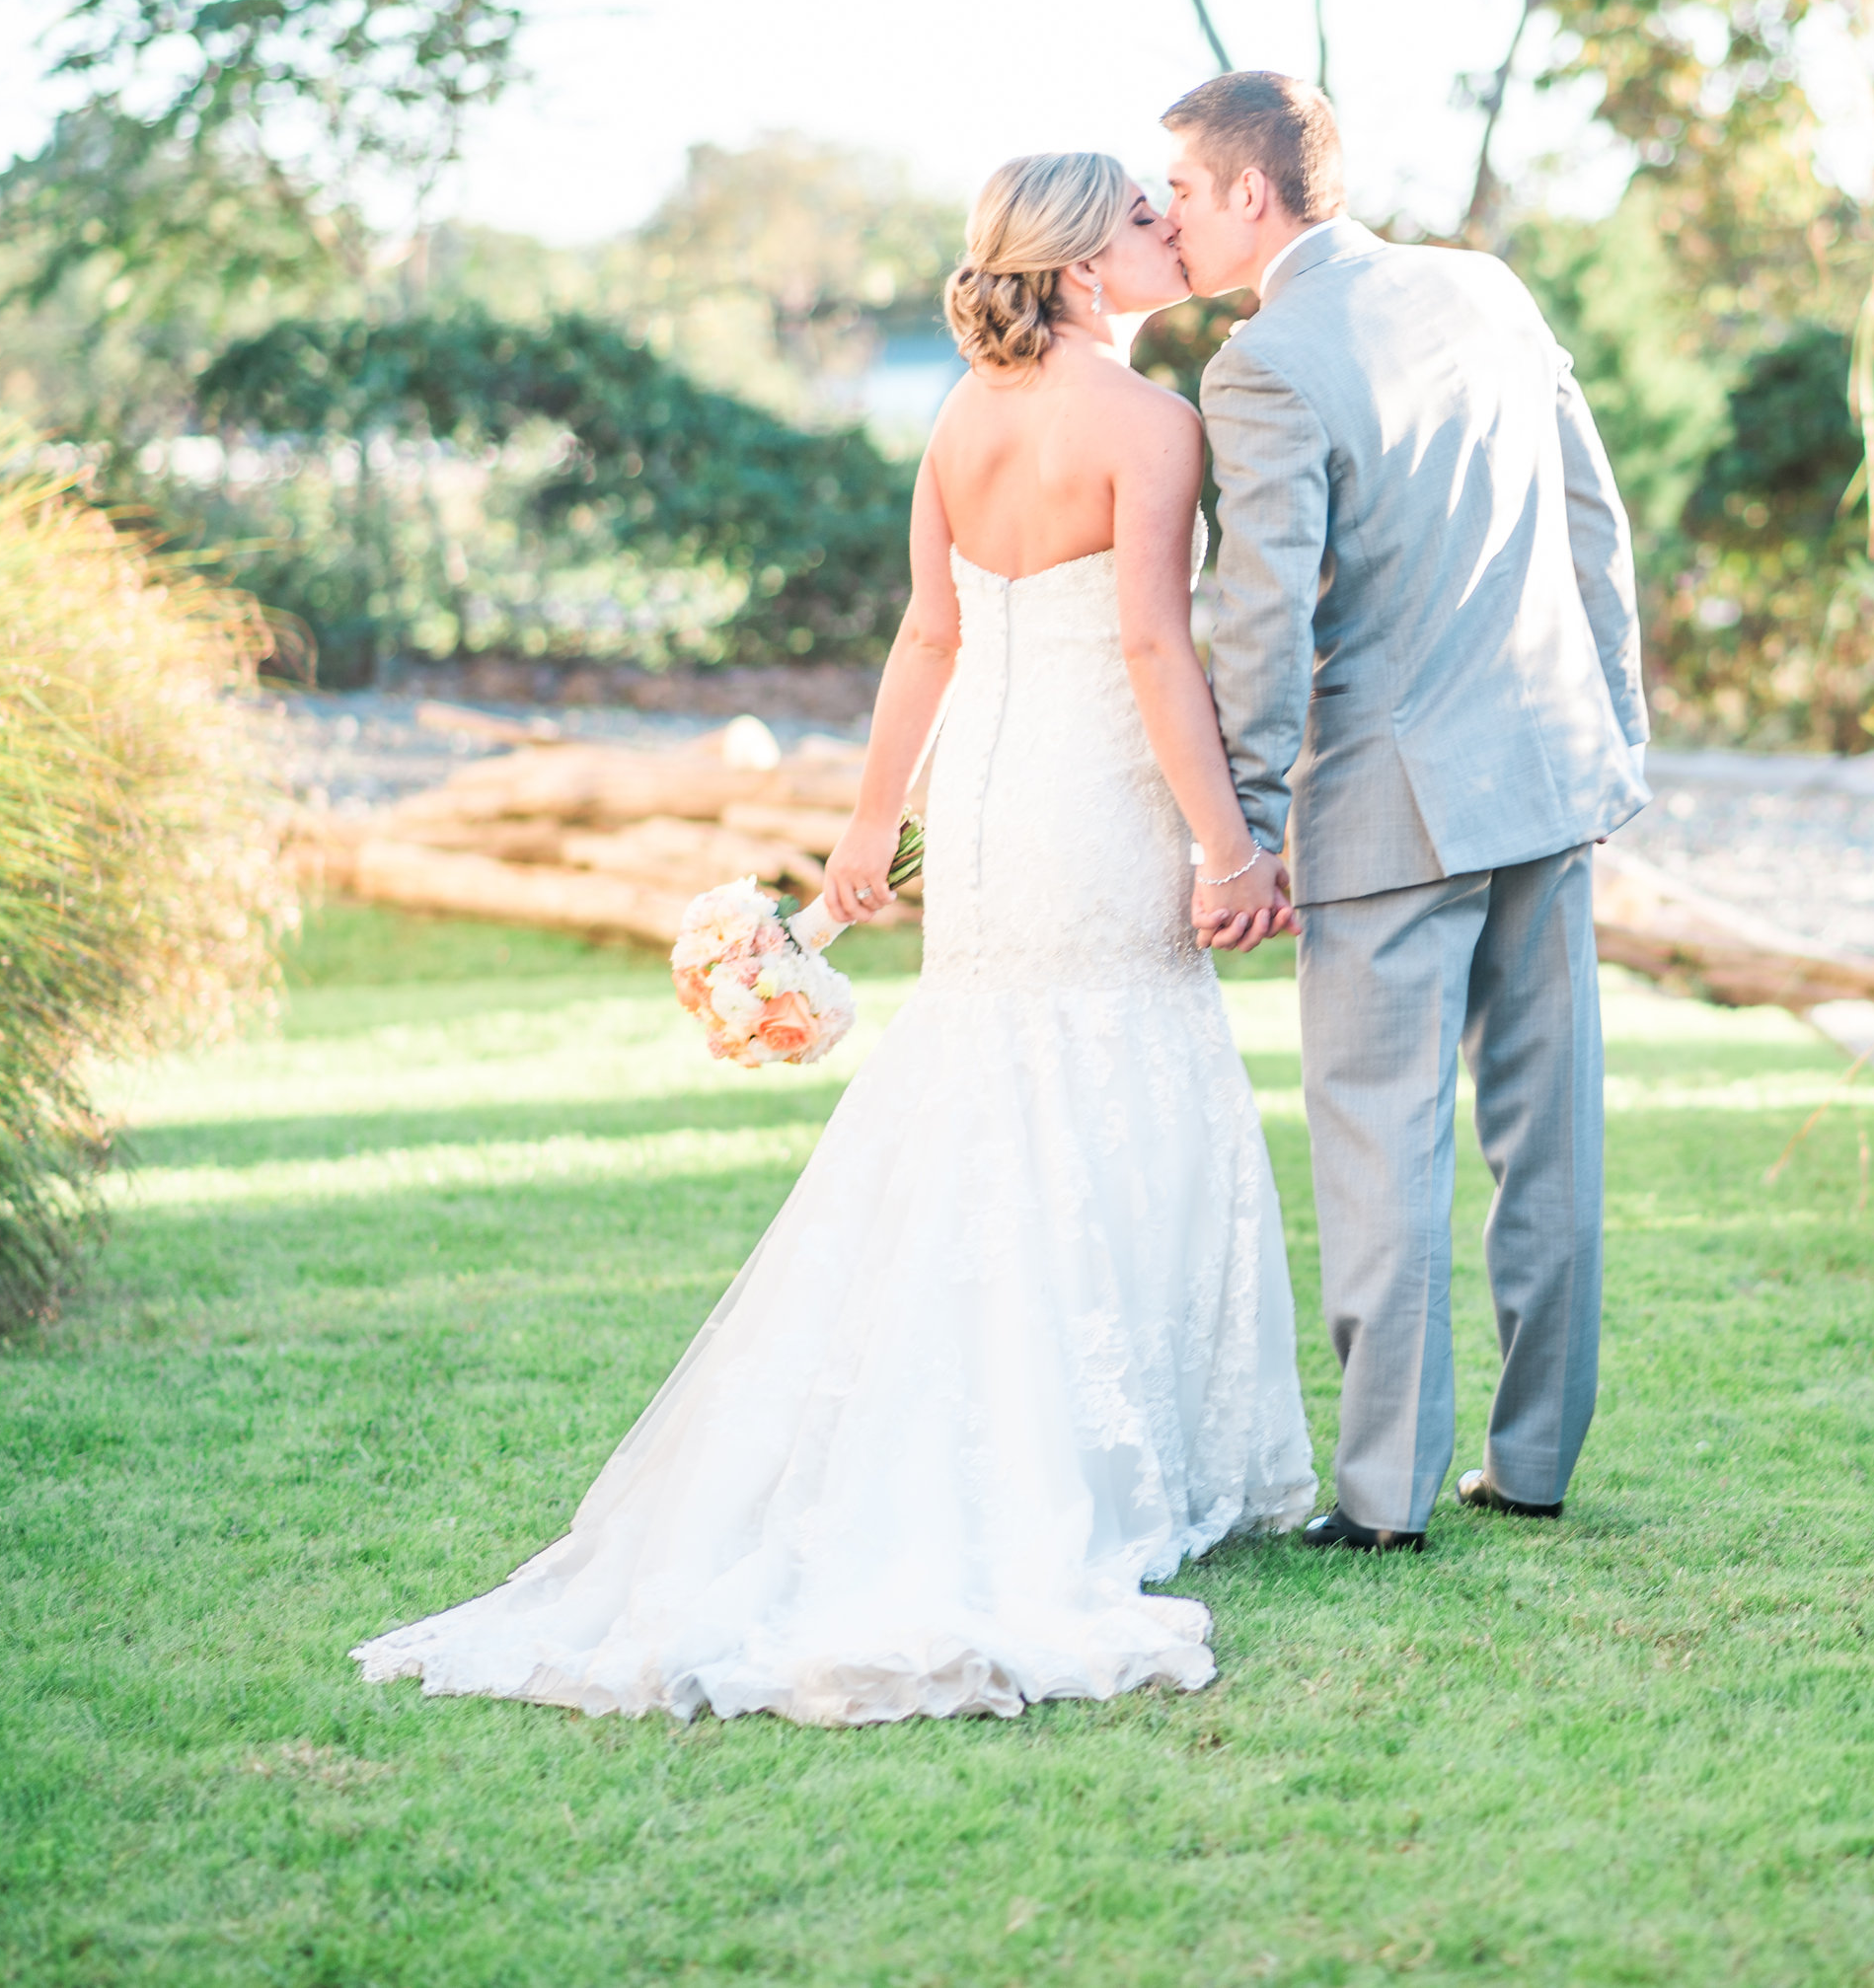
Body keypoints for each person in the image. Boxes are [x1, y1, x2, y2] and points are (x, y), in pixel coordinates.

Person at [351, 152, 1318, 1726]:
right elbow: (1154, 645)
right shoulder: (1153, 424)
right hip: (1096, 802)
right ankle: (1099, 1469)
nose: (1170, 232)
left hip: (987, 811)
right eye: (1145, 220)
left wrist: (870, 829)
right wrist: (1229, 846)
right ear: (1084, 264)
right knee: (1114, 1076)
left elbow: (929, 636)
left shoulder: (960, 417)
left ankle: (1026, 1441)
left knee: (1001, 1086)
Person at [1165, 70, 1649, 1556]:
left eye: (1181, 191)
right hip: (1548, 768)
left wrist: (1242, 834)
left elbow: (1261, 618)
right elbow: (1592, 516)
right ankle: (1536, 1462)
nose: (1170, 220)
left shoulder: (1263, 362)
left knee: (1385, 1150)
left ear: (1252, 193)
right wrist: (1616, 729)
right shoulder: (1486, 288)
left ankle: (1383, 1499)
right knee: (1551, 1135)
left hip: (1387, 803)